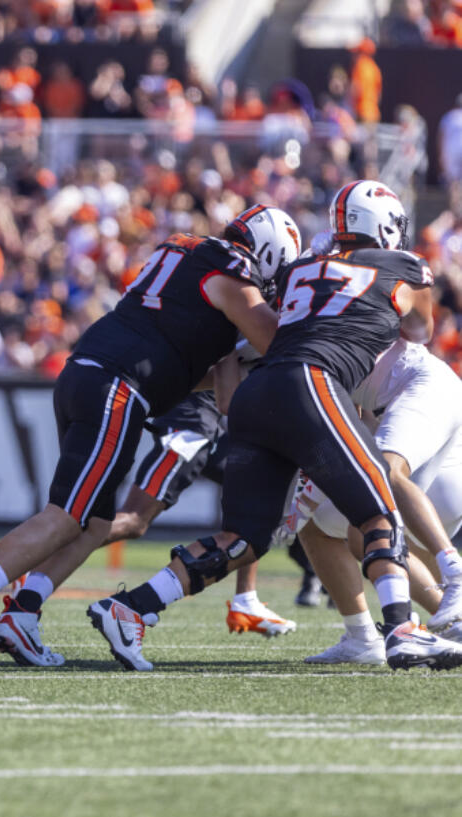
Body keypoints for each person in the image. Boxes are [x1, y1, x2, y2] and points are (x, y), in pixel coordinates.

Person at [87, 181, 462, 672]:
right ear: (387, 226)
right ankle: (401, 629)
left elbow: (235, 370)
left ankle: (130, 607)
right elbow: (421, 330)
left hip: (255, 395)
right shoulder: (402, 265)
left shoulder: (300, 272)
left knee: (243, 538)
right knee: (376, 509)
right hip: (311, 383)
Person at [0, 205, 300, 670]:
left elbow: (219, 396)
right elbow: (279, 343)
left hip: (94, 374)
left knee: (95, 522)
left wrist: (241, 359)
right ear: (266, 254)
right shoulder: (231, 270)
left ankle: (22, 611)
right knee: (67, 515)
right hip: (117, 387)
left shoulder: (192, 259)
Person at [292, 334, 462, 664]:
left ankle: (452, 582)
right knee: (333, 525)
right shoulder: (331, 324)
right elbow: (353, 427)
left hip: (424, 405)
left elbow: (419, 322)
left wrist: (305, 499)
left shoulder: (311, 334)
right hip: (440, 460)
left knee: (368, 513)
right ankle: (381, 634)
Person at [104, 391, 304, 635]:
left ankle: (246, 600)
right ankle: (46, 563)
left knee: (259, 488)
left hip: (206, 419)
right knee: (133, 519)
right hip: (191, 422)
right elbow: (225, 376)